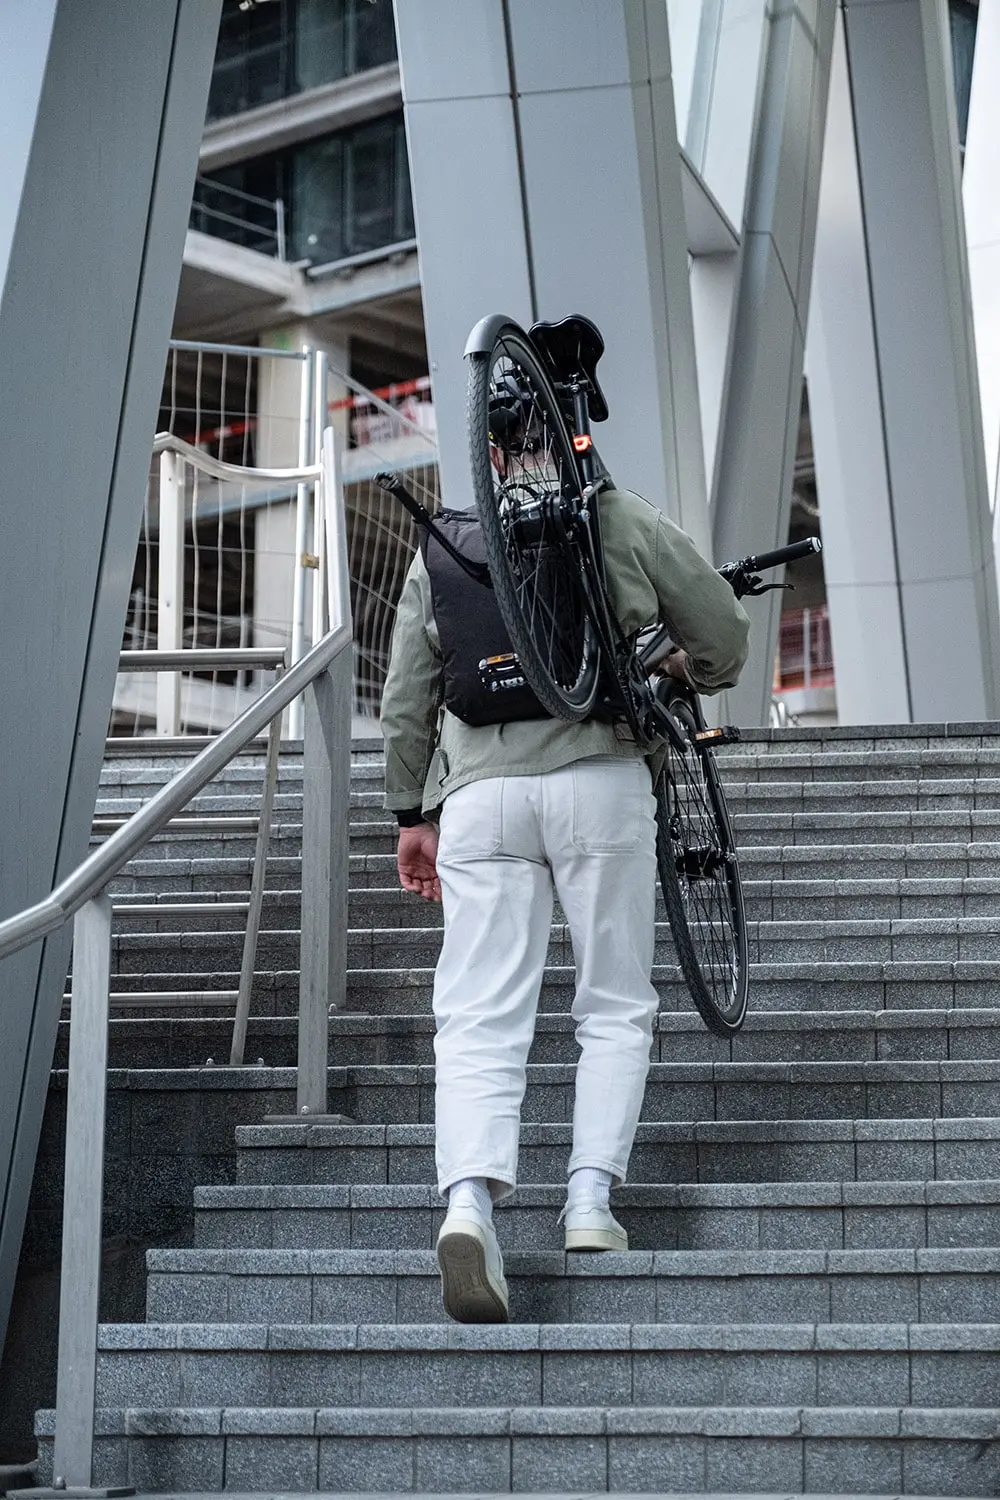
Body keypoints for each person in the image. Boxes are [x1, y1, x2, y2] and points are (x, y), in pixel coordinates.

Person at [380, 371, 750, 1325]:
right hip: (600, 781)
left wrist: (410, 815)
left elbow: (407, 695)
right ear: (570, 433)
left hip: (481, 800)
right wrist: (690, 667)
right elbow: (722, 630)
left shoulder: (448, 543)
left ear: (490, 451)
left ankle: (469, 1205)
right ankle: (589, 1202)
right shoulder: (617, 516)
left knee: (477, 1013)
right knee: (614, 1002)